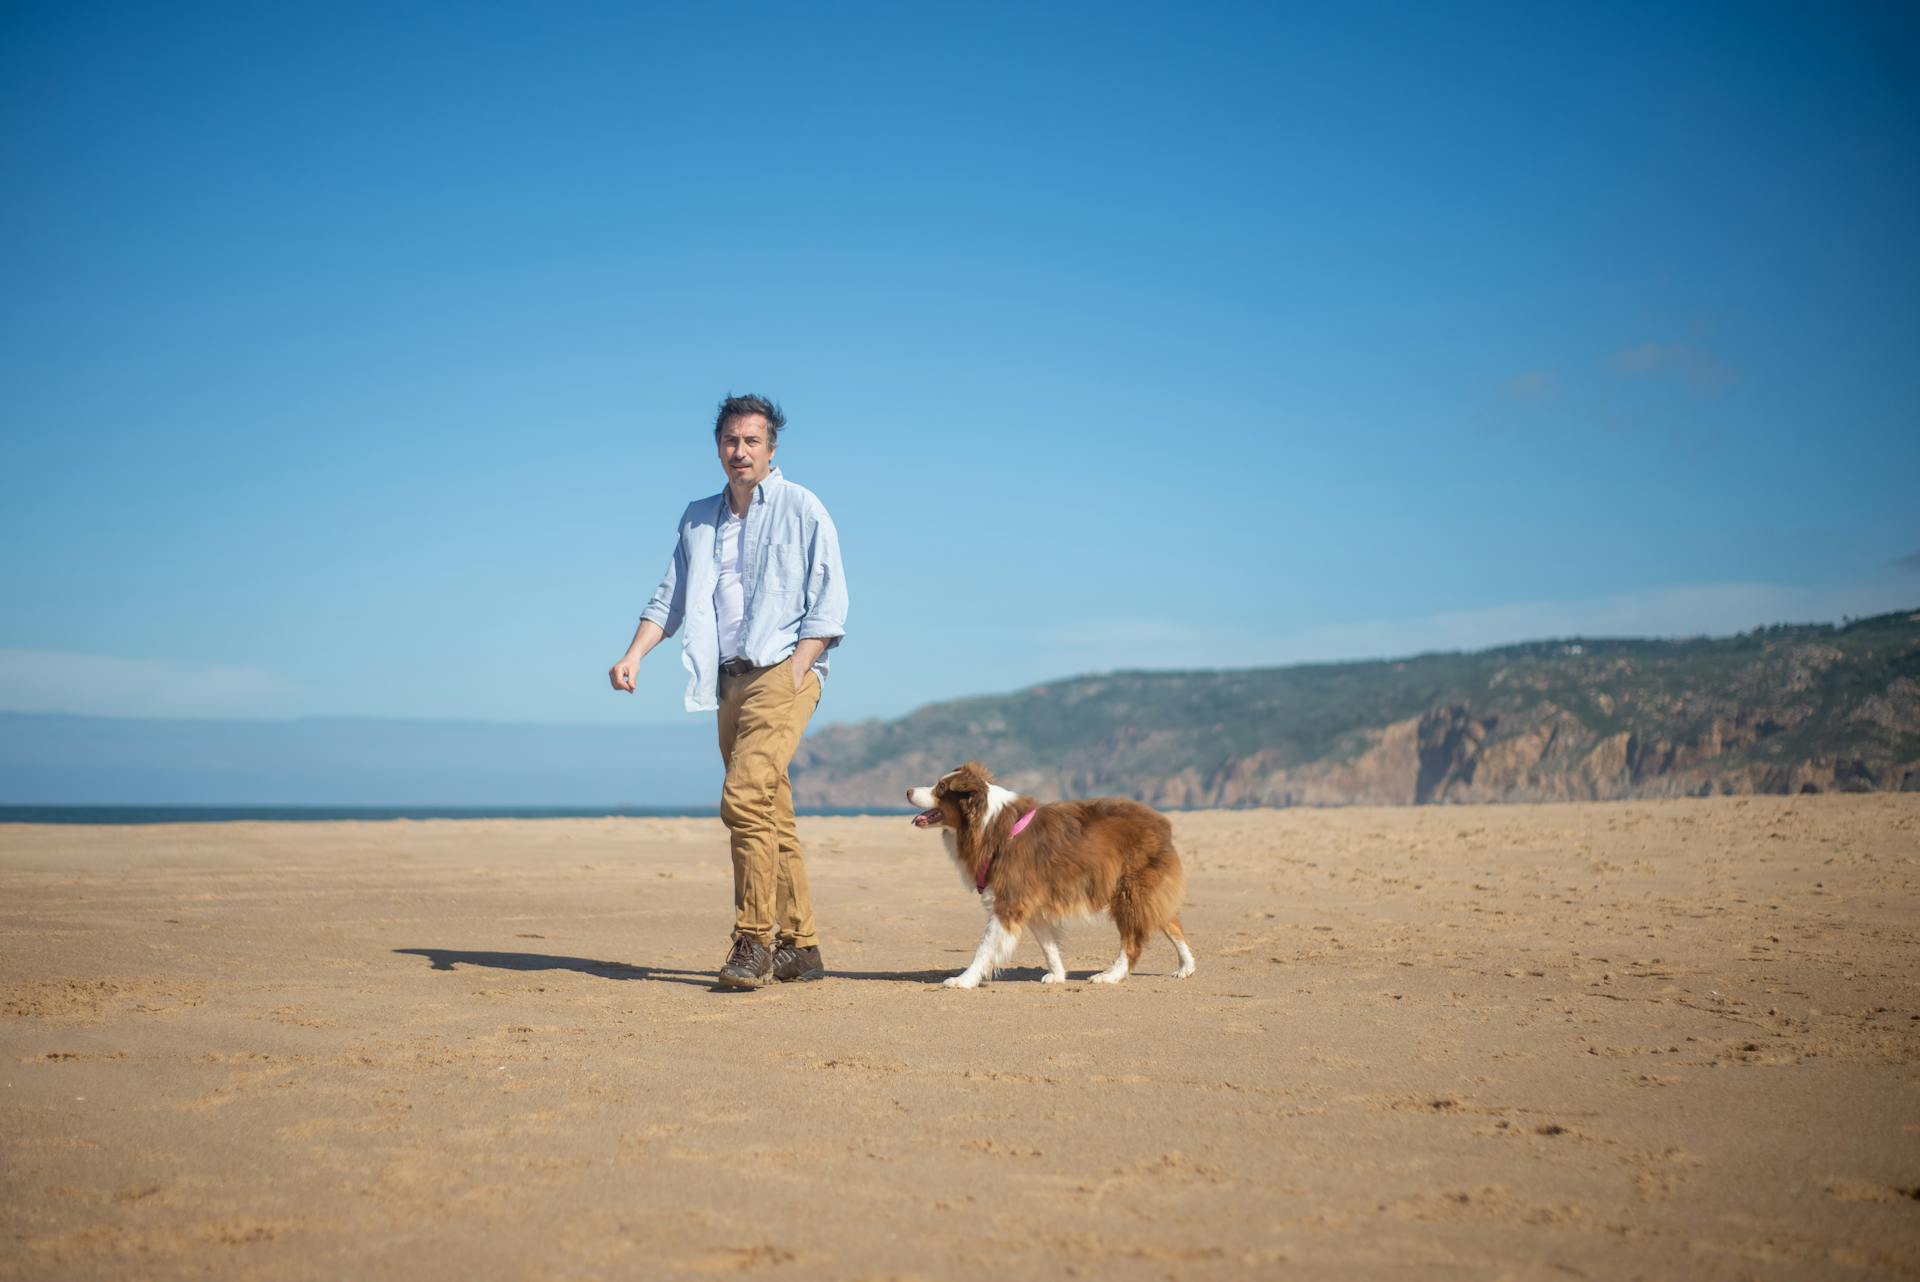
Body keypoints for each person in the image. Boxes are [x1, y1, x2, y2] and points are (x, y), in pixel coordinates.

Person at [609, 394, 848, 987]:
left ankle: (753, 941)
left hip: (784, 672)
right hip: (728, 680)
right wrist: (634, 653)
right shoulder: (697, 518)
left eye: (752, 442)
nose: (739, 452)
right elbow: (669, 597)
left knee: (742, 799)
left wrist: (798, 669)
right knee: (770, 811)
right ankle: (802, 946)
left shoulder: (802, 506)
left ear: (771, 449)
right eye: (730, 441)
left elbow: (831, 603)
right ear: (718, 446)